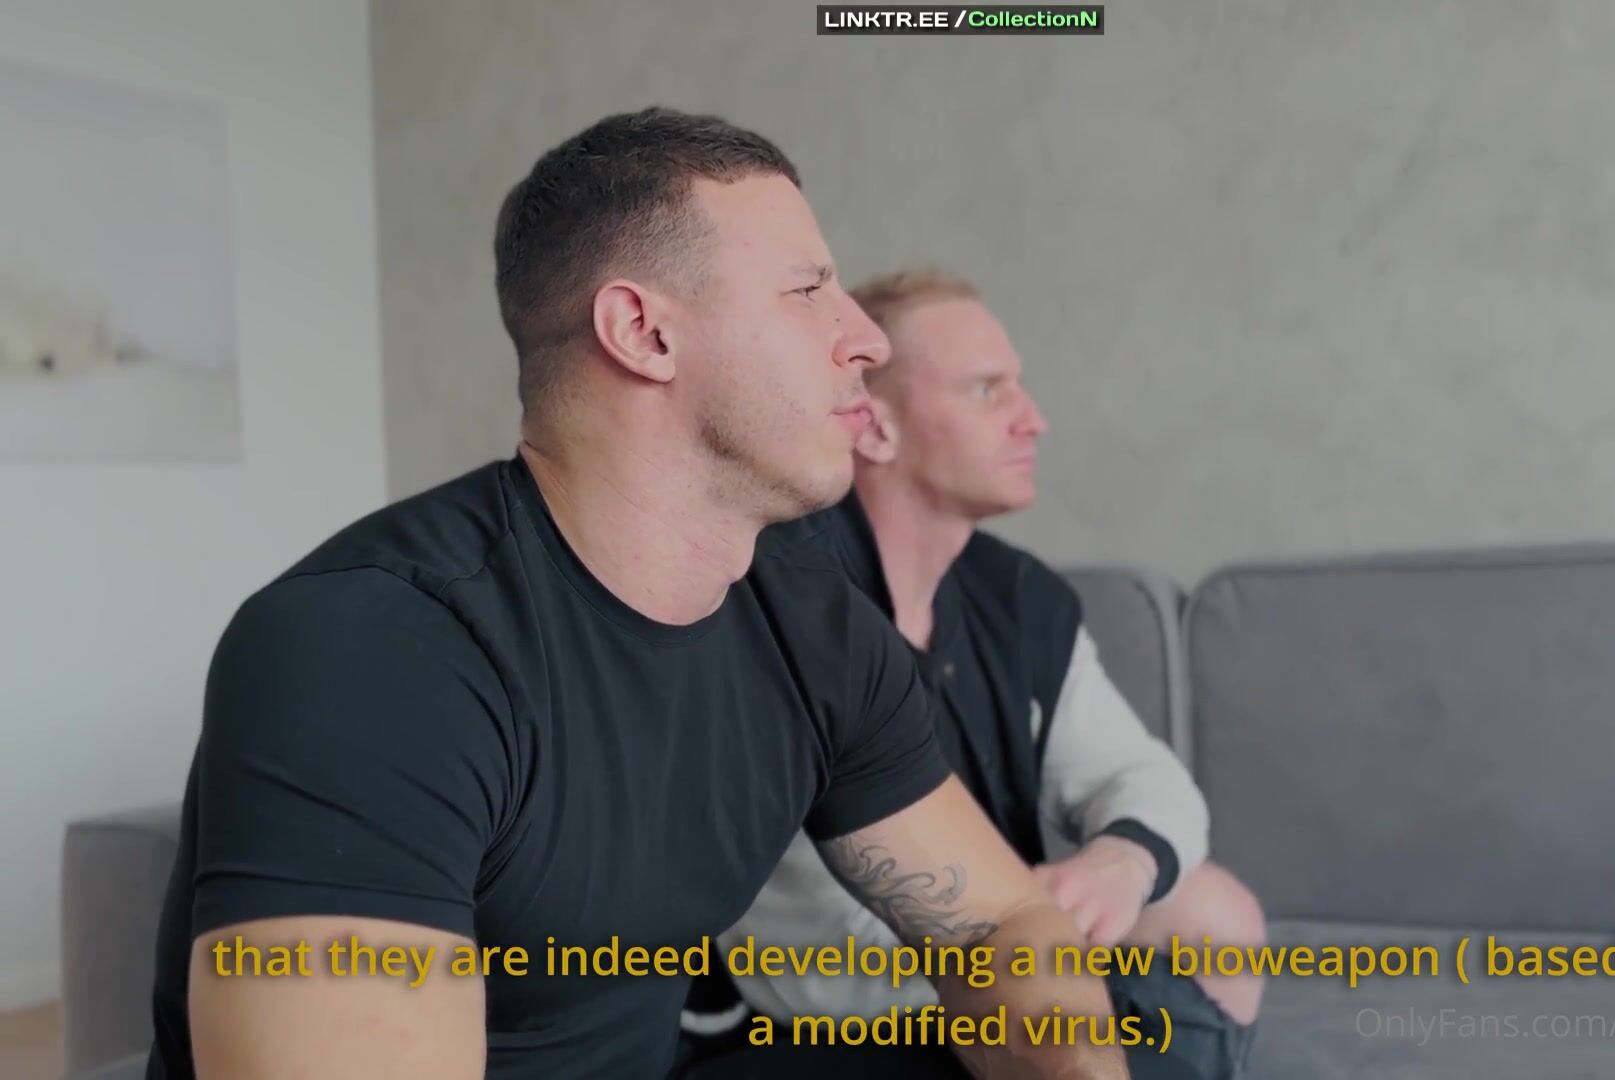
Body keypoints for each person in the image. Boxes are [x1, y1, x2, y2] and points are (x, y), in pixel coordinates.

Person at [144, 110, 1133, 1080]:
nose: (866, 340)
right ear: (644, 332)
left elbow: (1002, 925)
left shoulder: (811, 626)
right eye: (808, 290)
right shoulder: (376, 650)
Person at [704, 267, 1267, 1078]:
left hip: (990, 958)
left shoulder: (1019, 597)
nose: (1032, 419)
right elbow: (818, 960)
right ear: (875, 425)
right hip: (807, 1024)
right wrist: (1027, 945)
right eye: (985, 390)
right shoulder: (780, 605)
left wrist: (1120, 865)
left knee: (1214, 913)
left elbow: (1146, 780)